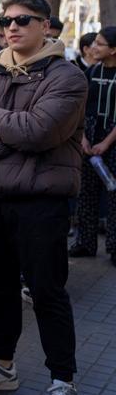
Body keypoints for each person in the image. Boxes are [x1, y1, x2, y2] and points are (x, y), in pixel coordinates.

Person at [0, 0, 86, 395]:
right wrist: (9, 139)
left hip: (41, 203)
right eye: (6, 20)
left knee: (46, 291)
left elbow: (39, 131)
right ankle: (2, 364)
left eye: (23, 20)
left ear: (45, 26)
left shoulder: (68, 77)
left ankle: (63, 378)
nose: (12, 26)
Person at [70, 26, 116, 266]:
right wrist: (84, 139)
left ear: (113, 49)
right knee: (86, 194)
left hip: (112, 142)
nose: (93, 47)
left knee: (113, 195)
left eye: (100, 43)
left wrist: (106, 143)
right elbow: (80, 107)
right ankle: (85, 243)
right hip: (89, 141)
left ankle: (114, 247)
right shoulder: (92, 71)